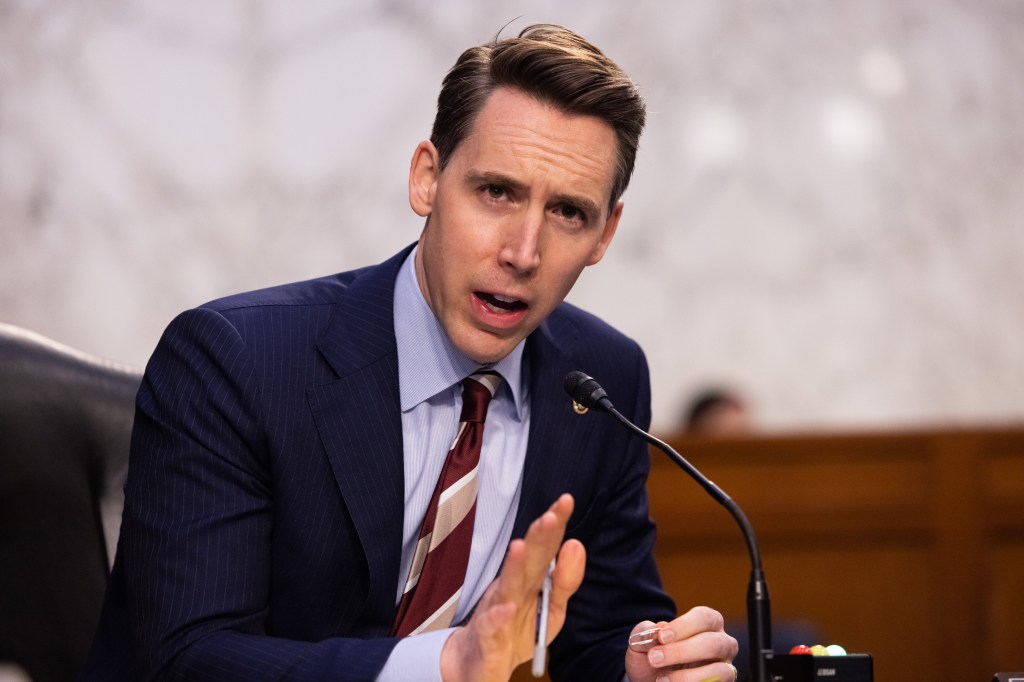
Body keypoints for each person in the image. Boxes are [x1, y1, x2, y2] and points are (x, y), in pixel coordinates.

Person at [80, 24, 738, 682]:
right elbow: (189, 659)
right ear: (427, 179)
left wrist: (639, 668)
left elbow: (594, 633)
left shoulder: (602, 380)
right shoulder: (236, 361)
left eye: (568, 212)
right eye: (496, 192)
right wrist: (449, 662)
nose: (523, 252)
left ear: (606, 234)